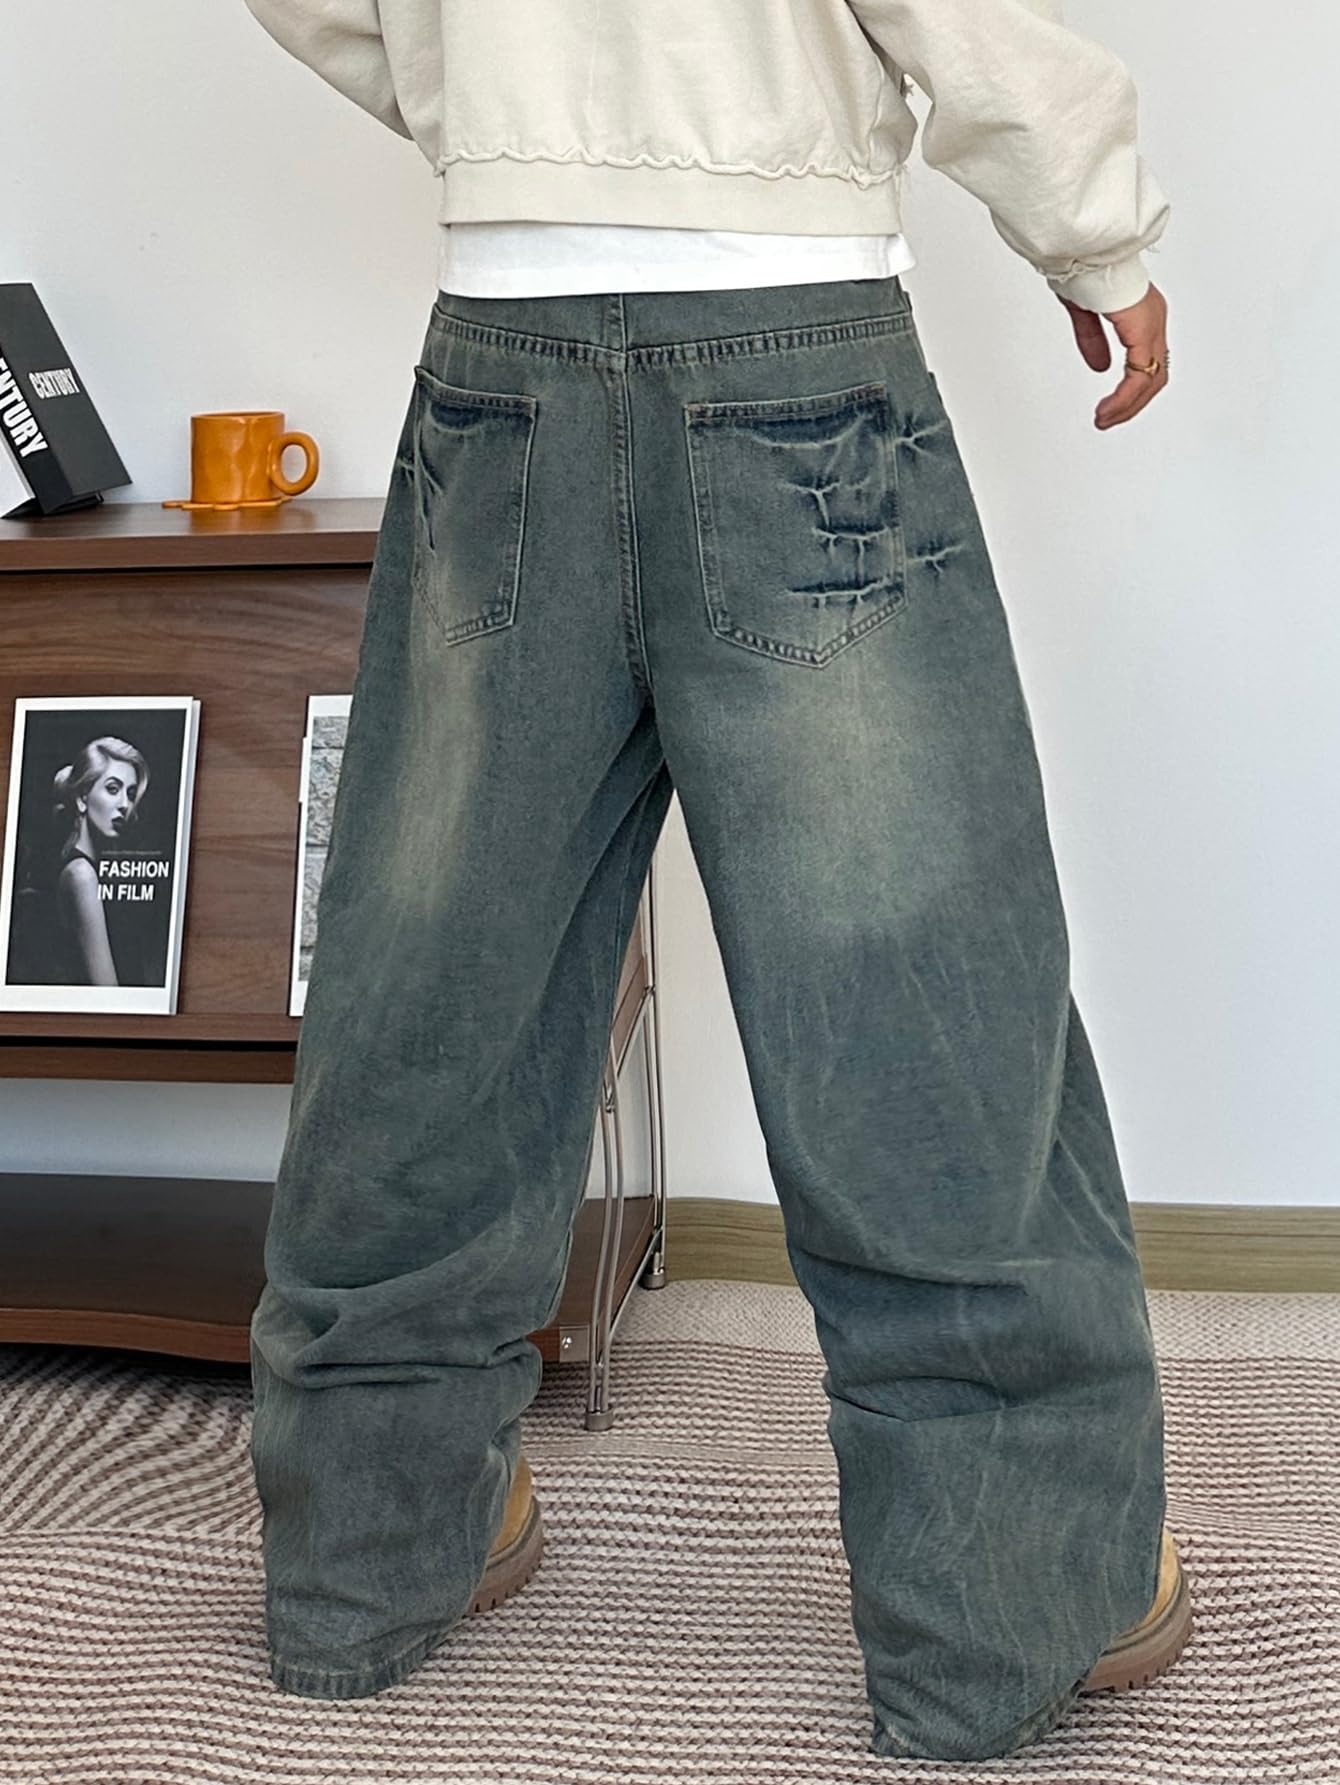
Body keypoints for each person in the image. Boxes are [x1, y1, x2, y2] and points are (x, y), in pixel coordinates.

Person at [240, 0, 1186, 1761]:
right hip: (792, 341)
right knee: (913, 999)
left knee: (437, 983)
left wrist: (490, 108)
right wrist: (1096, 227)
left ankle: (367, 1556)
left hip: (504, 354)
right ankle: (1005, 1600)